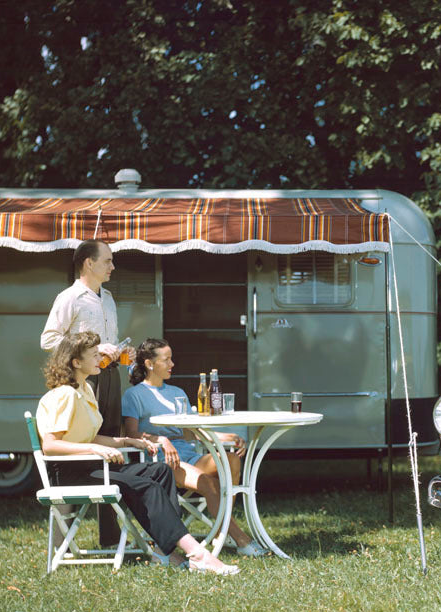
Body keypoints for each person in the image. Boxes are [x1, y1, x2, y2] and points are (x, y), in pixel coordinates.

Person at [36, 330, 239, 575]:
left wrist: (126, 442)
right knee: (147, 485)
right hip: (71, 472)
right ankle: (198, 554)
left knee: (161, 471)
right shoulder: (64, 395)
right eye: (94, 355)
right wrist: (94, 448)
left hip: (91, 465)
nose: (101, 357)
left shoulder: (84, 391)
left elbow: (88, 437)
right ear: (76, 363)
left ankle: (164, 553)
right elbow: (50, 445)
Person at [121, 339, 270, 557]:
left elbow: (191, 431)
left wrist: (224, 436)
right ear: (149, 364)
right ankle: (241, 539)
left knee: (232, 460)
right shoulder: (134, 395)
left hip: (189, 455)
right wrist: (160, 440)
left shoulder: (177, 391)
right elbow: (131, 434)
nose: (172, 363)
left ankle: (222, 530)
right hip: (161, 461)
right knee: (208, 484)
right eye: (166, 359)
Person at [40, 239, 128, 546]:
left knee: (111, 452)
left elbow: (109, 340)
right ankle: (59, 537)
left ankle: (111, 537)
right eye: (107, 261)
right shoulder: (69, 298)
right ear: (88, 263)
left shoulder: (109, 298)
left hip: (110, 377)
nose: (112, 266)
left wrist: (117, 350)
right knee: (78, 449)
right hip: (83, 382)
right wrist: (89, 347)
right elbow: (49, 340)